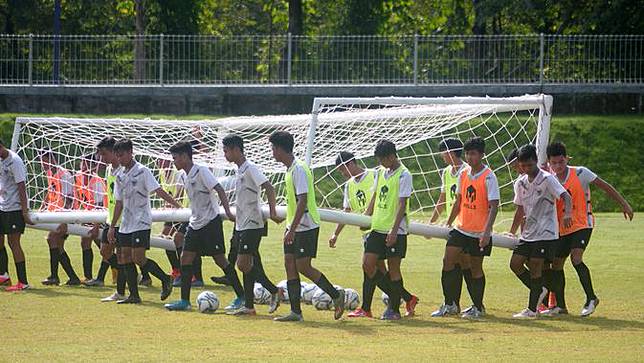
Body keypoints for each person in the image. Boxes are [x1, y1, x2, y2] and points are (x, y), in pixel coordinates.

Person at [544, 141, 633, 317]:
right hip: (562, 228)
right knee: (556, 264)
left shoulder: (581, 173)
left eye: (561, 162)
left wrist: (624, 204)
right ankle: (560, 307)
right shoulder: (548, 178)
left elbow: (605, 186)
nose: (558, 166)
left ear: (566, 159)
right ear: (549, 162)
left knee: (576, 258)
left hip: (583, 224)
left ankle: (591, 298)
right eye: (553, 163)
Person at [330, 151, 418, 318]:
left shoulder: (374, 174)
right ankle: (404, 298)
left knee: (376, 268)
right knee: (374, 269)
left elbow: (383, 199)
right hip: (370, 229)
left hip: (381, 228)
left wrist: (369, 219)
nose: (342, 174)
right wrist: (336, 233)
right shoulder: (349, 185)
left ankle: (370, 307)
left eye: (342, 169)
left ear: (351, 164)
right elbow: (346, 211)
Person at [269, 131, 345, 322]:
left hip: (306, 226)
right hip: (294, 225)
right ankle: (296, 312)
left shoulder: (300, 169)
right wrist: (288, 225)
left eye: (273, 148)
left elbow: (303, 201)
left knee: (303, 266)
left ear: (279, 149)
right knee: (289, 263)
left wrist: (293, 229)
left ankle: (336, 295)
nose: (271, 152)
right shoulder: (290, 169)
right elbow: (294, 202)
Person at [163, 141, 245, 311]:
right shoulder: (184, 175)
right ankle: (184, 301)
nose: (174, 161)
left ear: (185, 157)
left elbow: (220, 189)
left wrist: (228, 213)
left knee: (220, 260)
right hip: (195, 223)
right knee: (185, 258)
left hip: (210, 223)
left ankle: (241, 296)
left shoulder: (202, 171)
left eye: (176, 158)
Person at [107, 139, 180, 304]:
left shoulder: (143, 171)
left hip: (141, 220)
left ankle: (165, 279)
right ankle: (134, 295)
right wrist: (112, 226)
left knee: (138, 257)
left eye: (122, 155)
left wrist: (177, 205)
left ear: (131, 152)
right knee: (125, 257)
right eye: (117, 156)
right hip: (126, 222)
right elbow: (119, 202)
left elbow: (158, 190)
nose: (120, 159)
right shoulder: (118, 175)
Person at [433, 137, 500, 319]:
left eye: (474, 154)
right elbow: (458, 201)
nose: (470, 158)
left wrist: (486, 233)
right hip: (461, 228)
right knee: (448, 261)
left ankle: (478, 307)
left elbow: (494, 206)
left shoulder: (489, 176)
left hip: (479, 232)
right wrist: (448, 223)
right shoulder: (463, 174)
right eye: (468, 154)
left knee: (475, 268)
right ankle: (450, 304)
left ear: (481, 155)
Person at [219, 134, 284, 316]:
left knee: (242, 264)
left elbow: (269, 187)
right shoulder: (239, 170)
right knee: (248, 264)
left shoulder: (250, 168)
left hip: (253, 224)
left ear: (236, 150)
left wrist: (272, 213)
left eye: (226, 151)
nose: (225, 155)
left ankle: (274, 290)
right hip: (241, 224)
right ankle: (249, 306)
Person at [508, 144, 572, 319]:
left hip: (546, 233)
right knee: (515, 264)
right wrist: (512, 231)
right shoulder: (520, 183)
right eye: (523, 166)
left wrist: (567, 213)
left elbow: (566, 196)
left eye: (529, 165)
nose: (527, 168)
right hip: (529, 234)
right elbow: (520, 209)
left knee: (536, 266)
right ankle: (541, 289)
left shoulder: (547, 179)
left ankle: (531, 309)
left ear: (535, 161)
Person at [362, 140, 412, 321]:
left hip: (394, 230)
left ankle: (394, 310)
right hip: (377, 227)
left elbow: (402, 204)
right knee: (368, 264)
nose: (380, 163)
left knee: (393, 269)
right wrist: (366, 217)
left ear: (392, 156)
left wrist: (394, 230)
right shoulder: (381, 172)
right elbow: (375, 196)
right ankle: (401, 297)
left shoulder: (404, 175)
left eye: (383, 159)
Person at [429, 138, 469, 316]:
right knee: (458, 262)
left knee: (454, 262)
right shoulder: (446, 172)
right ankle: (454, 304)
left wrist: (448, 222)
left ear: (451, 153)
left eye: (443, 153)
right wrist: (432, 222)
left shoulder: (467, 171)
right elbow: (443, 198)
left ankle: (452, 303)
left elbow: (461, 201)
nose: (441, 156)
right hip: (454, 225)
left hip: (466, 224)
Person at [41, 151, 81, 286]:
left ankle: (54, 276)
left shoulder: (64, 175)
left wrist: (65, 220)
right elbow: (50, 191)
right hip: (57, 214)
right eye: (41, 161)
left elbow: (69, 199)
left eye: (45, 160)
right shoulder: (50, 173)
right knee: (58, 245)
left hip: (67, 215)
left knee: (52, 239)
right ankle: (72, 278)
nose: (42, 164)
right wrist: (43, 206)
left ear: (53, 160)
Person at [0, 138, 34, 291]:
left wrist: (24, 212)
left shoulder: (15, 161)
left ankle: (23, 282)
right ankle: (4, 275)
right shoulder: (1, 160)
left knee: (14, 243)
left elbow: (22, 187)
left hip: (14, 209)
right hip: (2, 207)